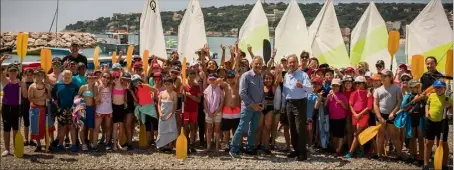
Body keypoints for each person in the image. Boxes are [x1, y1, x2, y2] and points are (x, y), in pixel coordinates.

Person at [229, 56, 265, 158]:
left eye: (260, 63)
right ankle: (233, 149)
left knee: (253, 129)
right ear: (251, 64)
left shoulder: (260, 77)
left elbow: (262, 92)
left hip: (257, 108)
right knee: (242, 128)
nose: (258, 65)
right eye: (256, 63)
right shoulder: (246, 76)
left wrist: (261, 104)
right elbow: (242, 93)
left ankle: (249, 149)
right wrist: (252, 105)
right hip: (248, 107)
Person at [281, 54, 312, 161]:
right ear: (287, 64)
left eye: (294, 62)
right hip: (289, 103)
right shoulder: (286, 75)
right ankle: (296, 150)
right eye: (290, 62)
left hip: (300, 103)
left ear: (297, 63)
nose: (292, 64)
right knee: (292, 128)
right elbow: (284, 92)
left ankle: (303, 153)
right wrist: (283, 105)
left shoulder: (303, 75)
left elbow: (310, 90)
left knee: (300, 129)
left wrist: (302, 86)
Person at [373, 69, 402, 159]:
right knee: (380, 135)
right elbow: (375, 104)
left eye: (385, 76)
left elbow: (399, 102)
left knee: (394, 136)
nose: (382, 78)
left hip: (392, 115)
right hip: (381, 115)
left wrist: (393, 113)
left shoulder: (396, 88)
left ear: (390, 77)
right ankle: (379, 154)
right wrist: (379, 116)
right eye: (381, 76)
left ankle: (400, 154)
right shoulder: (377, 90)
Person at [423, 80, 452, 170]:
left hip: (442, 123)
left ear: (444, 88)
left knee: (443, 143)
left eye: (440, 87)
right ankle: (425, 164)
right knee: (428, 143)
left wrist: (449, 107)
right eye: (436, 87)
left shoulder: (448, 99)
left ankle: (444, 164)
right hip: (430, 122)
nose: (438, 89)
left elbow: (452, 112)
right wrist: (427, 112)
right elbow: (427, 105)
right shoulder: (431, 95)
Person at [51, 70, 80, 152]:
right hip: (61, 109)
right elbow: (53, 96)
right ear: (62, 77)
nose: (67, 79)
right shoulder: (58, 85)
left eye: (69, 77)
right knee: (61, 127)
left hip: (72, 109)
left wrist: (76, 107)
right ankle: (60, 145)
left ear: (71, 77)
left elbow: (78, 96)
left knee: (72, 127)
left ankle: (74, 145)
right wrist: (56, 103)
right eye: (65, 77)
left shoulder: (74, 86)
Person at [345, 76, 372, 158]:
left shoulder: (368, 93)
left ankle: (351, 152)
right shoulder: (354, 93)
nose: (357, 85)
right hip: (355, 116)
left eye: (359, 83)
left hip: (363, 115)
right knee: (357, 134)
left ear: (364, 84)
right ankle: (361, 150)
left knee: (356, 134)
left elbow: (369, 107)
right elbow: (350, 104)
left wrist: (359, 114)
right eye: (356, 83)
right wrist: (355, 114)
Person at [28, 69, 53, 152]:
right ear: (34, 76)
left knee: (47, 127)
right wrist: (41, 98)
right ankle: (38, 145)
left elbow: (49, 98)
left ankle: (47, 144)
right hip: (35, 109)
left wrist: (48, 90)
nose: (40, 77)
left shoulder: (46, 85)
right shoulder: (32, 86)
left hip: (45, 109)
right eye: (38, 75)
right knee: (36, 127)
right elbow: (30, 99)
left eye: (41, 75)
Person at [256, 70, 281, 154]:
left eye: (270, 78)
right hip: (261, 109)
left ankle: (266, 146)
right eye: (266, 78)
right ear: (263, 79)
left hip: (269, 109)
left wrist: (279, 72)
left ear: (272, 79)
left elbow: (278, 80)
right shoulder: (261, 86)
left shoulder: (273, 87)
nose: (268, 80)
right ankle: (257, 145)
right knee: (259, 128)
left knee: (267, 128)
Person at [0, 61, 21, 156]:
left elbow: (25, 95)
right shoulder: (5, 80)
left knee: (16, 128)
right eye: (11, 70)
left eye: (14, 71)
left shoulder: (20, 82)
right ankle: (7, 149)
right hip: (6, 108)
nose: (13, 72)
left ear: (17, 72)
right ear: (8, 72)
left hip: (17, 107)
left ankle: (17, 148)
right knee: (7, 128)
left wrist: (23, 85)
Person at [132, 74, 159, 148]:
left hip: (150, 108)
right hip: (143, 109)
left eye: (136, 81)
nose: (135, 83)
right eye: (133, 82)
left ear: (139, 80)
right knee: (147, 126)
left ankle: (158, 143)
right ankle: (147, 143)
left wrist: (145, 84)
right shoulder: (136, 90)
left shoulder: (145, 86)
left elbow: (155, 90)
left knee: (155, 125)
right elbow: (137, 100)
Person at [325, 78, 348, 156]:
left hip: (341, 118)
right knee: (334, 135)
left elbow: (346, 108)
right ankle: (336, 149)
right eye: (333, 86)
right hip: (332, 118)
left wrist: (341, 103)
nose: (335, 87)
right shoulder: (330, 95)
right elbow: (325, 105)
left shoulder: (342, 96)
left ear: (340, 87)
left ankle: (338, 150)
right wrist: (327, 98)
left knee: (340, 135)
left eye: (337, 86)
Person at [92, 71, 113, 152]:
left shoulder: (110, 86)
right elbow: (96, 100)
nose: (106, 79)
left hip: (108, 110)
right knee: (96, 128)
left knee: (108, 128)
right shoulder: (97, 86)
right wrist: (100, 90)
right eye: (104, 77)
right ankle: (94, 145)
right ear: (101, 77)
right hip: (99, 111)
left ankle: (107, 144)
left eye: (108, 78)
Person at [405, 80, 425, 165]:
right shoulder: (409, 96)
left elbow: (426, 105)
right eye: (414, 87)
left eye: (418, 86)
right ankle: (412, 155)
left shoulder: (424, 96)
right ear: (410, 88)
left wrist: (421, 97)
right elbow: (404, 107)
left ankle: (421, 157)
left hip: (420, 118)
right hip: (411, 118)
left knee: (420, 138)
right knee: (412, 138)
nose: (417, 88)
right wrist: (414, 100)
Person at [156, 77, 178, 150]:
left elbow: (175, 106)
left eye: (169, 84)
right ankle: (162, 145)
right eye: (166, 84)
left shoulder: (174, 94)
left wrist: (171, 113)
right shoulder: (162, 93)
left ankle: (169, 146)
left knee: (170, 129)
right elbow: (159, 104)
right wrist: (159, 113)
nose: (168, 86)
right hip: (162, 114)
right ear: (164, 85)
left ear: (172, 84)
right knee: (162, 129)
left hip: (170, 114)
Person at [182, 70, 202, 152]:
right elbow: (183, 99)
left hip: (194, 110)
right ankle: (185, 144)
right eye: (191, 73)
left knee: (193, 127)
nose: (192, 75)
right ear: (187, 75)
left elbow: (199, 100)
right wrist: (184, 93)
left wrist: (190, 95)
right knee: (185, 127)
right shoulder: (184, 86)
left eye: (194, 73)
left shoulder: (197, 86)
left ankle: (192, 145)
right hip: (186, 110)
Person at [203, 73, 224, 151]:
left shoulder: (221, 89)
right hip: (208, 112)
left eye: (214, 79)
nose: (212, 80)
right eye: (210, 79)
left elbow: (222, 102)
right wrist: (208, 112)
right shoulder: (206, 90)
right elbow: (204, 102)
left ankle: (217, 147)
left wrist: (216, 112)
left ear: (216, 79)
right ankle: (208, 146)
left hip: (217, 112)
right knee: (209, 130)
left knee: (217, 130)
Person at [77, 72, 96, 151]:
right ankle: (84, 144)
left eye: (92, 78)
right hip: (83, 109)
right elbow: (78, 97)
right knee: (82, 127)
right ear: (86, 79)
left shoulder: (95, 87)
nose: (91, 79)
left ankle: (91, 142)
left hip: (91, 108)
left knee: (91, 128)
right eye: (89, 78)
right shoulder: (83, 87)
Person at [111, 71, 127, 151]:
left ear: (120, 77)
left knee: (121, 126)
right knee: (114, 127)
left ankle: (119, 143)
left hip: (121, 107)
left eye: (117, 77)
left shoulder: (123, 86)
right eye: (113, 78)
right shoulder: (112, 86)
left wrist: (126, 102)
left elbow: (125, 96)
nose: (115, 79)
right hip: (114, 107)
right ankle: (114, 144)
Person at [122, 72, 136, 150]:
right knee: (124, 125)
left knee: (128, 124)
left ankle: (130, 143)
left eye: (128, 79)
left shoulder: (133, 87)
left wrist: (129, 90)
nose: (126, 81)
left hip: (130, 106)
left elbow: (136, 100)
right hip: (122, 106)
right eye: (124, 79)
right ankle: (128, 141)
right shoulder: (120, 86)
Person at [21, 67, 34, 146]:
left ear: (33, 76)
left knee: (33, 122)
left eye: (31, 75)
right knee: (26, 122)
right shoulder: (22, 84)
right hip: (24, 105)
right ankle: (26, 139)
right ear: (24, 75)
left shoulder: (34, 84)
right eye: (27, 75)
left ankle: (32, 139)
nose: (29, 76)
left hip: (33, 105)